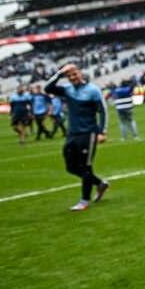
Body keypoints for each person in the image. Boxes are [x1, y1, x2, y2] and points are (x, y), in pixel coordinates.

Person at [44, 65, 109, 211]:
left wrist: (102, 132)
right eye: (69, 75)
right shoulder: (68, 89)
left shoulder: (93, 90)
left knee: (85, 167)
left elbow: (103, 111)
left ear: (81, 73)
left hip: (88, 133)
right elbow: (47, 88)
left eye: (74, 74)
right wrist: (60, 72)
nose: (72, 77)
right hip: (72, 133)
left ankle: (84, 200)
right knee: (71, 167)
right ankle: (99, 183)